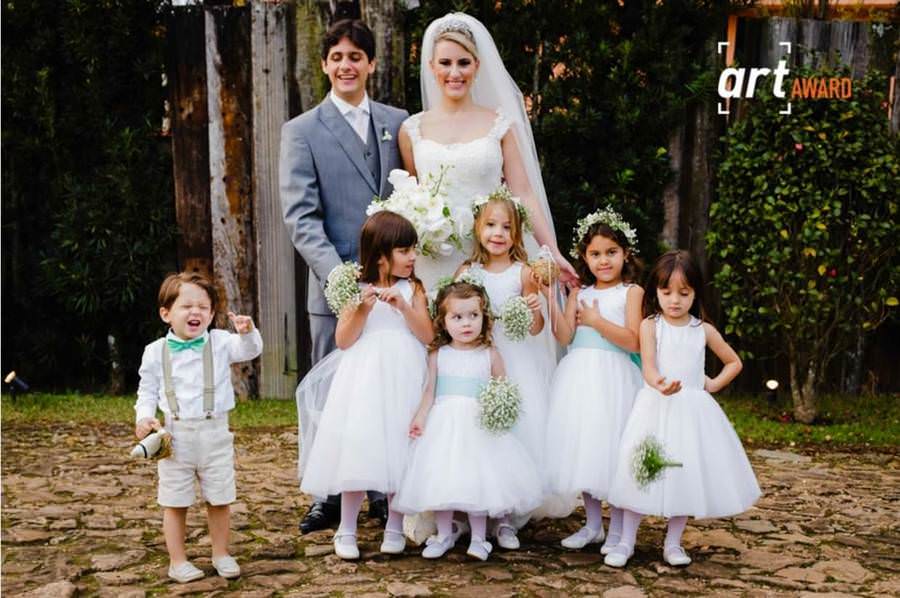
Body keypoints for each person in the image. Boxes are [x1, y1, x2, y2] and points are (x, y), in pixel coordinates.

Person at [280, 18, 408, 533]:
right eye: (337, 57)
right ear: (325, 65)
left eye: (356, 56)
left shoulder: (398, 123)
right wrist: (340, 277)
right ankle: (327, 495)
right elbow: (301, 217)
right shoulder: (302, 131)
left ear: (371, 64)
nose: (346, 65)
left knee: (386, 389)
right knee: (331, 392)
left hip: (395, 290)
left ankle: (382, 489)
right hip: (335, 290)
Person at [397, 12, 576, 291]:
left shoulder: (501, 125)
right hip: (433, 258)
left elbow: (524, 193)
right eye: (445, 63)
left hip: (493, 254)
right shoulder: (411, 130)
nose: (454, 73)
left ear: (477, 65)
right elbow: (412, 196)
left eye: (463, 63)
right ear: (431, 66)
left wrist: (551, 250)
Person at [605, 250, 761, 568]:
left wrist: (712, 384)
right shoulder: (651, 326)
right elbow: (648, 367)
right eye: (667, 292)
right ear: (656, 292)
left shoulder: (702, 330)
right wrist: (659, 383)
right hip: (655, 407)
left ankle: (673, 543)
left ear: (695, 293)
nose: (674, 300)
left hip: (690, 413)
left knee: (684, 472)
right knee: (642, 470)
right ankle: (625, 541)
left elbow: (734, 362)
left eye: (684, 293)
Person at [299, 212, 433, 560]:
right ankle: (347, 527)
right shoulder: (356, 288)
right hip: (364, 378)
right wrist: (361, 310)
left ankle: (395, 525)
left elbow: (427, 334)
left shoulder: (414, 288)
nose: (413, 257)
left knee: (401, 447)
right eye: (404, 250)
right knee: (358, 447)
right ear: (381, 255)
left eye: (413, 249)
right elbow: (343, 340)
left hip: (404, 374)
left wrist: (403, 306)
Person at [392, 281, 543, 561]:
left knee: (478, 479)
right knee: (442, 479)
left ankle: (479, 538)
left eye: (473, 315)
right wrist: (420, 418)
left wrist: (499, 414)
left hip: (479, 428)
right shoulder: (438, 354)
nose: (466, 323)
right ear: (443, 321)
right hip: (444, 426)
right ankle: (444, 534)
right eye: (457, 317)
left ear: (484, 317)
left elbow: (501, 388)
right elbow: (429, 393)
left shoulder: (490, 354)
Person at [134, 272, 263, 583]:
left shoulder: (220, 342)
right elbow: (146, 391)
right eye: (187, 306)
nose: (196, 312)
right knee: (174, 500)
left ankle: (221, 553)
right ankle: (177, 561)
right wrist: (143, 417)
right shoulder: (155, 351)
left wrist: (247, 332)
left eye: (203, 307)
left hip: (215, 433)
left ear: (212, 313)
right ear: (166, 313)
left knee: (219, 497)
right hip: (174, 437)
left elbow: (249, 350)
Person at [541, 208, 644, 554]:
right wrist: (550, 300)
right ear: (584, 257)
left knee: (613, 450)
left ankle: (619, 528)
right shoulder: (579, 294)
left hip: (615, 377)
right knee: (585, 447)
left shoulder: (631, 292)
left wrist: (598, 322)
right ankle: (593, 524)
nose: (604, 261)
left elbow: (634, 341)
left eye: (611, 252)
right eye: (595, 254)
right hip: (580, 377)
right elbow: (565, 335)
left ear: (625, 253)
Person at [454, 191, 550, 549]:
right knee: (475, 434)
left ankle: (507, 517)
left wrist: (534, 309)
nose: (498, 233)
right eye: (491, 225)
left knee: (512, 434)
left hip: (515, 360)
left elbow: (536, 329)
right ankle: (469, 509)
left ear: (517, 233)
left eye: (507, 227)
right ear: (478, 229)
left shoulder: (523, 273)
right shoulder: (468, 272)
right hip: (477, 361)